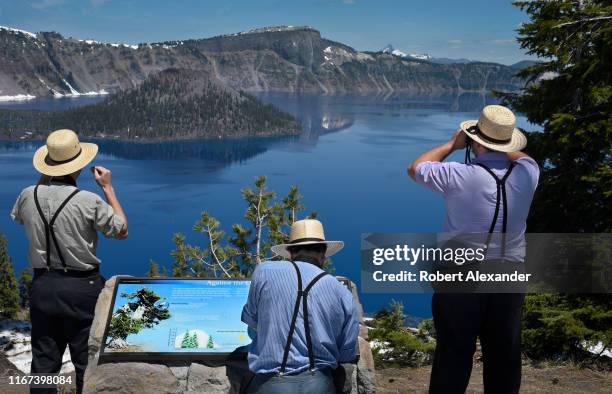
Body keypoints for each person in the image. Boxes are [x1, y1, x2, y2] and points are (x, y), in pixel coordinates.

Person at [408, 105, 539, 394]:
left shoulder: (458, 175)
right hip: (508, 276)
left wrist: (453, 145)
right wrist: (503, 146)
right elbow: (524, 158)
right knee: (504, 355)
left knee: (453, 355)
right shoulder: (528, 174)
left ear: (475, 141)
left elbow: (415, 167)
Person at [11, 129, 128, 394]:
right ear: (81, 163)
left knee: (43, 363)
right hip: (81, 289)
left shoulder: (28, 194)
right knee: (85, 363)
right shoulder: (88, 200)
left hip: (43, 286)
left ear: (49, 163)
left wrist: (45, 175)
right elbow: (122, 231)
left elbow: (18, 217)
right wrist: (108, 188)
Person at [241, 219, 360, 394]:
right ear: (323, 254)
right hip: (320, 384)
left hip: (268, 384)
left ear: (291, 253)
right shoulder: (343, 293)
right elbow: (347, 353)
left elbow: (251, 321)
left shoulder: (264, 271)